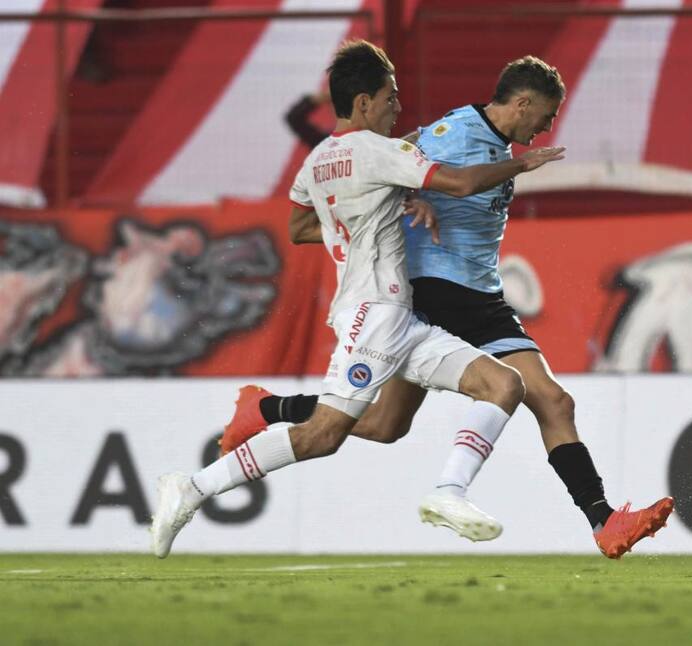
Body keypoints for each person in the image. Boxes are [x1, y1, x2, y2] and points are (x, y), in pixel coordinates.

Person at [223, 56, 675, 559]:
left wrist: (407, 197)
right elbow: (384, 160)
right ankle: (599, 520)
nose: (547, 127)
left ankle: (267, 408)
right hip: (439, 287)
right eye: (546, 115)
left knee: (385, 425)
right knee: (548, 399)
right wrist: (401, 201)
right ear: (523, 103)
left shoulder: (496, 143)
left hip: (480, 293)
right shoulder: (455, 133)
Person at [149, 40, 567, 558]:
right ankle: (192, 488)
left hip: (400, 315)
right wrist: (520, 166)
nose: (397, 108)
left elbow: (301, 227)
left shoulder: (317, 161)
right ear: (364, 102)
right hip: (373, 314)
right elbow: (458, 182)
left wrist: (374, 213)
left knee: (503, 384)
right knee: (323, 435)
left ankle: (448, 492)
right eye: (390, 98)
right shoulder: (378, 151)